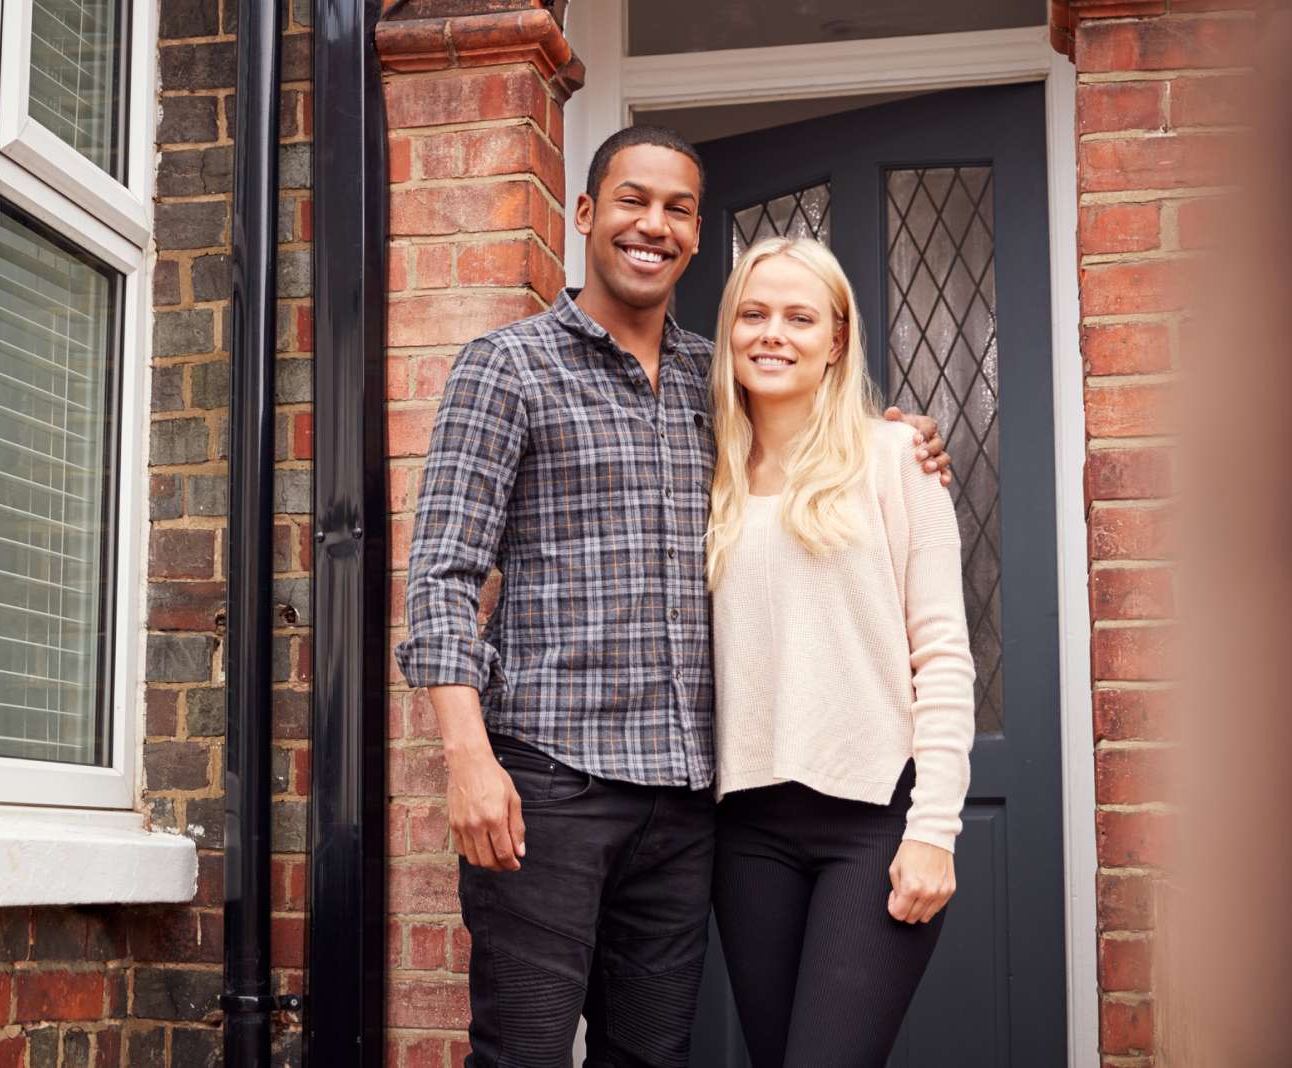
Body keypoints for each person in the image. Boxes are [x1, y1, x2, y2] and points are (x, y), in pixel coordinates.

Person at [395, 126, 951, 1068]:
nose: (653, 226)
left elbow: (818, 436)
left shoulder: (716, 381)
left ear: (696, 237)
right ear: (584, 214)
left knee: (650, 1058)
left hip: (687, 806)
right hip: (550, 786)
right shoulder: (509, 368)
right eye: (632, 201)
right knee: (523, 1052)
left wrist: (901, 437)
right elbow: (444, 573)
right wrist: (467, 760)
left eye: (678, 210)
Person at [706, 236, 974, 1067]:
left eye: (799, 316)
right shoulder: (700, 469)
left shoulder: (897, 459)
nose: (773, 333)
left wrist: (934, 830)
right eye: (753, 314)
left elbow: (944, 657)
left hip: (872, 823)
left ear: (838, 340)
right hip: (745, 829)